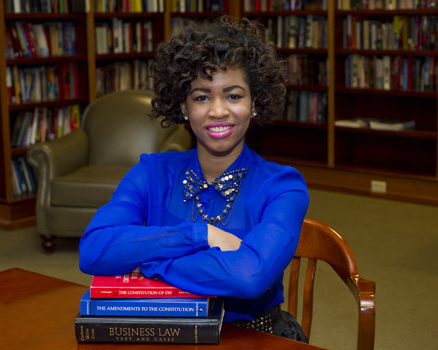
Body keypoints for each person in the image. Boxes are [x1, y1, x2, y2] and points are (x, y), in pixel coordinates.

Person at [78, 15, 309, 342]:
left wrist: (149, 263)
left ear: (254, 103)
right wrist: (199, 234)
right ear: (184, 107)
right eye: (202, 96)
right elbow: (92, 250)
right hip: (165, 333)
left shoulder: (284, 187)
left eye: (233, 95)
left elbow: (249, 276)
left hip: (254, 339)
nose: (217, 111)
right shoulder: (151, 173)